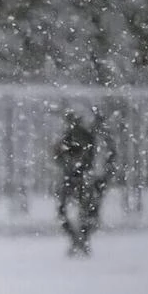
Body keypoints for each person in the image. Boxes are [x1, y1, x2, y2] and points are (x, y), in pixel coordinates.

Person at [53, 110, 106, 257]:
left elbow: (61, 156)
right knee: (82, 212)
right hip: (77, 178)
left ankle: (80, 240)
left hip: (79, 178)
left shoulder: (80, 137)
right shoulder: (73, 138)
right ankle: (80, 240)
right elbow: (60, 156)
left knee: (82, 211)